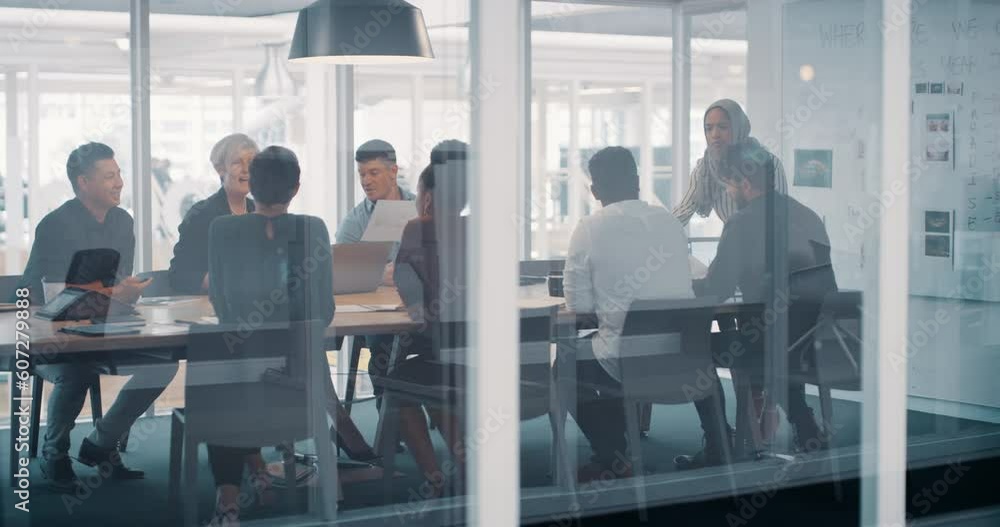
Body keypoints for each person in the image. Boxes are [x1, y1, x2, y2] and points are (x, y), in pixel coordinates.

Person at [205, 146, 376, 524]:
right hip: (300, 392)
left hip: (240, 383)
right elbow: (324, 310)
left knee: (224, 392)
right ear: (296, 188)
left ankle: (228, 503)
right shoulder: (312, 227)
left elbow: (220, 300)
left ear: (251, 187)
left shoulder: (222, 228)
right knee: (281, 367)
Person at [561, 146, 730, 481]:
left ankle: (615, 457)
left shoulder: (589, 229)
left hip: (626, 362)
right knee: (699, 357)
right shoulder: (669, 222)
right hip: (684, 358)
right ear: (637, 181)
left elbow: (578, 308)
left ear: (594, 192)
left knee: (567, 364)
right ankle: (718, 444)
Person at [17, 142, 178, 490]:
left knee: (164, 362)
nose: (119, 182)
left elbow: (118, 280)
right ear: (83, 183)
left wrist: (129, 290)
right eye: (109, 176)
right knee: (76, 368)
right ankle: (54, 454)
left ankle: (102, 443)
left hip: (104, 328)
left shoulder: (123, 221)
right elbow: (43, 293)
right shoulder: (55, 224)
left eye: (119, 174)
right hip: (51, 335)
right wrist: (109, 293)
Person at [684, 142, 835, 460]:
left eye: (729, 184)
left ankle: (718, 443)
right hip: (816, 342)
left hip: (770, 343)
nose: (728, 191)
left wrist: (683, 286)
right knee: (781, 333)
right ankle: (805, 424)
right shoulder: (807, 216)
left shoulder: (742, 222)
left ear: (745, 183)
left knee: (695, 348)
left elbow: (717, 289)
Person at [380, 140, 470, 497]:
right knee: (433, 374)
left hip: (446, 360)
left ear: (427, 196)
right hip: (485, 363)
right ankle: (468, 467)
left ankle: (434, 477)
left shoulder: (418, 229)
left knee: (395, 381)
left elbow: (414, 306)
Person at [335, 140, 416, 414]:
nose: (366, 181)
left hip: (422, 308)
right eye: (361, 174)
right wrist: (380, 276)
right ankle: (391, 429)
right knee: (384, 355)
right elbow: (341, 277)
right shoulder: (354, 222)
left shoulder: (423, 210)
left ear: (393, 171)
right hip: (380, 315)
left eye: (373, 173)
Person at [673, 99, 788, 226]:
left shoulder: (768, 163)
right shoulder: (705, 169)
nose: (715, 134)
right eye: (708, 128)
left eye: (723, 127)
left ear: (738, 128)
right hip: (734, 240)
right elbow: (684, 211)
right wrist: (655, 229)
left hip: (767, 241)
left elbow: (780, 214)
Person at [167, 133, 258, 295]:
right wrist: (217, 280)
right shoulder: (201, 215)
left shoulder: (259, 211)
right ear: (220, 169)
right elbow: (178, 275)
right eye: (237, 162)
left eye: (251, 163)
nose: (246, 170)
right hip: (211, 308)